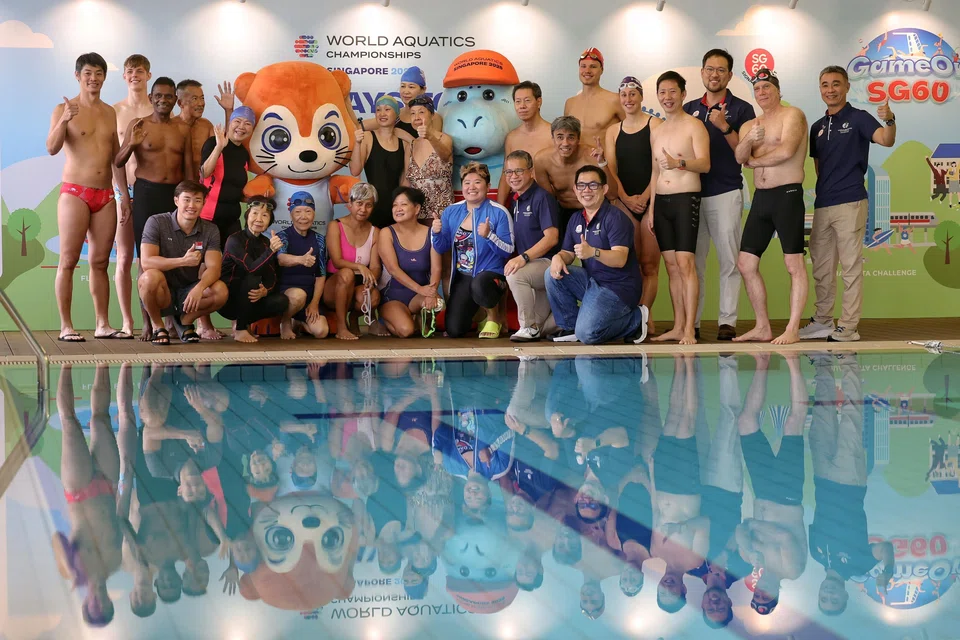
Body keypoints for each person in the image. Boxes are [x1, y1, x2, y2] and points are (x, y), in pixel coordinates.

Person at [801, 65, 897, 343]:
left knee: (851, 267)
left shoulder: (859, 118)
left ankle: (849, 326)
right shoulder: (817, 127)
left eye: (836, 84)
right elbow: (819, 168)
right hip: (823, 204)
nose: (830, 89)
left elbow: (886, 140)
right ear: (820, 89)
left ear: (846, 87)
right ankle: (822, 321)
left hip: (851, 201)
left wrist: (890, 120)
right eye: (825, 84)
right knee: (822, 267)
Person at [47, 53, 132, 343]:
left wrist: (123, 195)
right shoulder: (63, 108)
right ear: (77, 76)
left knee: (99, 262)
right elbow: (51, 148)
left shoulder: (109, 112)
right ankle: (66, 326)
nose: (93, 78)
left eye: (98, 73)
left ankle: (102, 324)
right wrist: (64, 121)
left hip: (105, 194)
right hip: (75, 191)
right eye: (87, 73)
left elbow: (116, 159)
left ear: (104, 77)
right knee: (68, 260)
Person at [809, 353, 895, 615]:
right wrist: (888, 571)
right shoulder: (859, 566)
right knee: (851, 416)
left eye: (823, 598)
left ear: (819, 592)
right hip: (850, 483)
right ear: (845, 596)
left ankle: (822, 363)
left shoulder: (816, 553)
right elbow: (885, 548)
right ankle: (848, 360)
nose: (829, 594)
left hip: (822, 478)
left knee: (822, 412)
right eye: (834, 600)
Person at [682, 49, 757, 341]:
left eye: (721, 70)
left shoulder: (742, 109)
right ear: (702, 72)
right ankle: (692, 322)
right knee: (694, 263)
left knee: (729, 260)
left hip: (726, 192)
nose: (714, 75)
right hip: (691, 195)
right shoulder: (688, 108)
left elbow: (746, 154)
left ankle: (727, 321)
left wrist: (724, 126)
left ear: (729, 75)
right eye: (710, 69)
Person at [733, 70, 809, 345]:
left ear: (778, 90)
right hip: (761, 199)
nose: (762, 92)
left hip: (787, 195)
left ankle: (792, 329)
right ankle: (762, 326)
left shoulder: (793, 115)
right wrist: (749, 140)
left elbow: (787, 151)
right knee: (746, 263)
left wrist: (754, 161)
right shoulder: (750, 125)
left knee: (793, 263)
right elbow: (740, 157)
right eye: (757, 89)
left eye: (767, 87)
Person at [115, 77, 195, 340]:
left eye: (168, 96)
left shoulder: (182, 129)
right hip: (147, 194)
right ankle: (148, 321)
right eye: (158, 96)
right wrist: (132, 143)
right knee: (146, 259)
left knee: (175, 256)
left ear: (175, 100)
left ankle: (172, 320)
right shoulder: (138, 125)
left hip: (174, 196)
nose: (163, 100)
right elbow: (118, 161)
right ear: (151, 98)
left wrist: (191, 201)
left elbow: (189, 170)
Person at [546, 165, 648, 345]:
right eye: (581, 185)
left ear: (604, 189)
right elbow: (568, 253)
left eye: (593, 185)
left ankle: (635, 319)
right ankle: (571, 327)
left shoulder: (615, 218)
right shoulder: (576, 219)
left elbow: (620, 259)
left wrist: (593, 252)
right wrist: (558, 257)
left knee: (588, 334)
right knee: (552, 273)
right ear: (575, 189)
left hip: (618, 288)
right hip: (593, 282)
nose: (586, 190)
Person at [648, 71, 710, 346]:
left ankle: (689, 330)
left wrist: (679, 164)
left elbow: (705, 164)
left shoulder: (694, 126)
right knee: (671, 267)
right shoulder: (657, 131)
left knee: (686, 264)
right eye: (662, 92)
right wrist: (652, 209)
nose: (667, 97)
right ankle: (677, 326)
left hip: (686, 199)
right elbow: (654, 172)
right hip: (662, 203)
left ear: (683, 94)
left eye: (672, 91)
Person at [137, 181, 228, 345]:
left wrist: (199, 288)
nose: (191, 205)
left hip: (189, 290)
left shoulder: (210, 229)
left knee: (220, 290)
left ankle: (184, 322)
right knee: (149, 277)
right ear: (176, 200)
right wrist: (182, 261)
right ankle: (158, 326)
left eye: (197, 200)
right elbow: (147, 262)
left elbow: (214, 268)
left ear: (204, 203)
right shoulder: (156, 222)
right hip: (162, 290)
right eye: (186, 199)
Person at [431, 162, 513, 339]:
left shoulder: (499, 212)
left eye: (477, 182)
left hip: (491, 275)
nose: (472, 187)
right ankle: (481, 316)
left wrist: (489, 235)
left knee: (480, 283)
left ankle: (494, 318)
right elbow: (441, 247)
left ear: (488, 186)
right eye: (467, 183)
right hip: (464, 275)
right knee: (454, 329)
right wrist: (436, 233)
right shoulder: (451, 212)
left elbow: (508, 250)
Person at [606, 76, 662, 336]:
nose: (628, 99)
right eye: (624, 95)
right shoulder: (613, 131)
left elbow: (658, 167)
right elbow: (611, 171)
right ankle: (633, 318)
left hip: (652, 202)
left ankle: (645, 316)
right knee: (631, 265)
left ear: (641, 97)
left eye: (633, 94)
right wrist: (626, 198)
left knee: (650, 265)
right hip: (623, 203)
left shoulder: (656, 125)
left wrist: (646, 197)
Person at [197, 106, 256, 340]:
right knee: (205, 269)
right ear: (230, 122)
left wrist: (254, 199)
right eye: (238, 121)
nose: (241, 127)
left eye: (247, 124)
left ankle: (237, 323)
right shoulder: (214, 142)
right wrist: (219, 147)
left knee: (237, 269)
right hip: (208, 218)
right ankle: (204, 324)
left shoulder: (244, 154)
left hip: (232, 219)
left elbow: (235, 188)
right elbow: (204, 174)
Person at [112, 54, 153, 339]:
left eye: (139, 71)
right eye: (130, 71)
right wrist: (122, 196)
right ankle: (127, 322)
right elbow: (113, 158)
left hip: (149, 190)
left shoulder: (159, 110)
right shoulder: (114, 111)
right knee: (125, 256)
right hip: (122, 190)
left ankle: (153, 319)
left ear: (148, 75)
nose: (134, 75)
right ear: (124, 76)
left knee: (148, 258)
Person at [503, 150, 560, 342]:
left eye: (519, 171)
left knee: (515, 274)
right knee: (541, 328)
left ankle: (527, 326)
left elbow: (552, 238)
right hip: (533, 268)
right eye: (509, 172)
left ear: (531, 172)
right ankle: (572, 320)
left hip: (548, 264)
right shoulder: (516, 200)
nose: (513, 176)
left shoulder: (542, 198)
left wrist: (523, 258)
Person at [219, 197, 290, 343]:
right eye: (255, 213)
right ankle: (240, 329)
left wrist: (266, 291)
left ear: (270, 220)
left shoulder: (266, 242)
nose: (259, 219)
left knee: (281, 301)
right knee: (253, 277)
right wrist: (271, 250)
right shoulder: (234, 240)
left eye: (264, 215)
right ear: (247, 216)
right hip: (228, 301)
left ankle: (244, 323)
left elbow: (272, 276)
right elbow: (251, 268)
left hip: (251, 299)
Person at [534, 116, 617, 239]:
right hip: (564, 213)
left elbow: (612, 195)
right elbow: (548, 201)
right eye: (560, 137)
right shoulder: (542, 160)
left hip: (594, 211)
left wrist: (602, 163)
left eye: (571, 137)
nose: (565, 143)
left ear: (578, 139)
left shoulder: (592, 156)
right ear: (553, 138)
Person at [378, 187, 442, 338]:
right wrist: (420, 289)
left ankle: (419, 316)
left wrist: (431, 293)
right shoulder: (386, 233)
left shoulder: (430, 233)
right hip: (393, 296)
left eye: (403, 204)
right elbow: (393, 269)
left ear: (417, 208)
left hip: (418, 296)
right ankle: (385, 320)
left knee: (438, 304)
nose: (398, 209)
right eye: (395, 205)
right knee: (406, 331)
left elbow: (436, 269)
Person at [324, 183, 383, 340]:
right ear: (349, 204)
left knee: (373, 297)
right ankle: (341, 327)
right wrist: (360, 267)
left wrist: (371, 281)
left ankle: (354, 317)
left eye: (368, 205)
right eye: (359, 203)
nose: (363, 209)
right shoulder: (335, 226)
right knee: (347, 273)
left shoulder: (375, 232)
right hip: (335, 283)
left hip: (359, 283)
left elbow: (375, 266)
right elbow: (337, 262)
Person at [276, 192, 330, 340]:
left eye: (308, 212)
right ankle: (286, 321)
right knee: (299, 295)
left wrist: (314, 303)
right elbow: (281, 259)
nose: (303, 217)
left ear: (314, 214)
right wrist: (301, 260)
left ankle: (299, 322)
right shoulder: (283, 236)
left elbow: (321, 274)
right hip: (289, 294)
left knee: (321, 331)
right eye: (298, 212)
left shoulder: (319, 239)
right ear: (291, 215)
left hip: (309, 296)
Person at [351, 95, 407, 228]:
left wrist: (402, 206)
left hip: (394, 207)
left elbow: (404, 180)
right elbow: (355, 170)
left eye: (387, 109)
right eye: (378, 110)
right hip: (371, 205)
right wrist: (357, 144)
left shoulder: (404, 143)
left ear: (396, 114)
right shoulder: (367, 137)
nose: (382, 113)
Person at [496, 81, 554, 206]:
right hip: (519, 203)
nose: (522, 106)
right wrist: (499, 209)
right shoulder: (512, 138)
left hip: (548, 202)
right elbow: (505, 175)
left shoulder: (553, 135)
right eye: (518, 101)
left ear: (539, 102)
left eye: (527, 101)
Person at [402, 95, 454, 221]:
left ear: (432, 115)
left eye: (421, 112)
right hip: (415, 217)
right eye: (413, 113)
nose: (416, 117)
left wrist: (430, 136)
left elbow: (445, 155)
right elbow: (406, 181)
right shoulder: (410, 146)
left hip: (441, 217)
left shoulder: (444, 138)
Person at [564, 48, 624, 144]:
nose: (587, 70)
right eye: (583, 66)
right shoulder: (570, 103)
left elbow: (633, 132)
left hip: (603, 154)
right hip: (575, 154)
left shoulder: (615, 100)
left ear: (601, 70)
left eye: (593, 66)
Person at [362, 67, 444, 138]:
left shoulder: (433, 118)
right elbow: (359, 126)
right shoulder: (395, 114)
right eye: (403, 86)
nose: (406, 91)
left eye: (411, 87)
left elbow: (433, 148)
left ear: (423, 90)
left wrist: (407, 138)